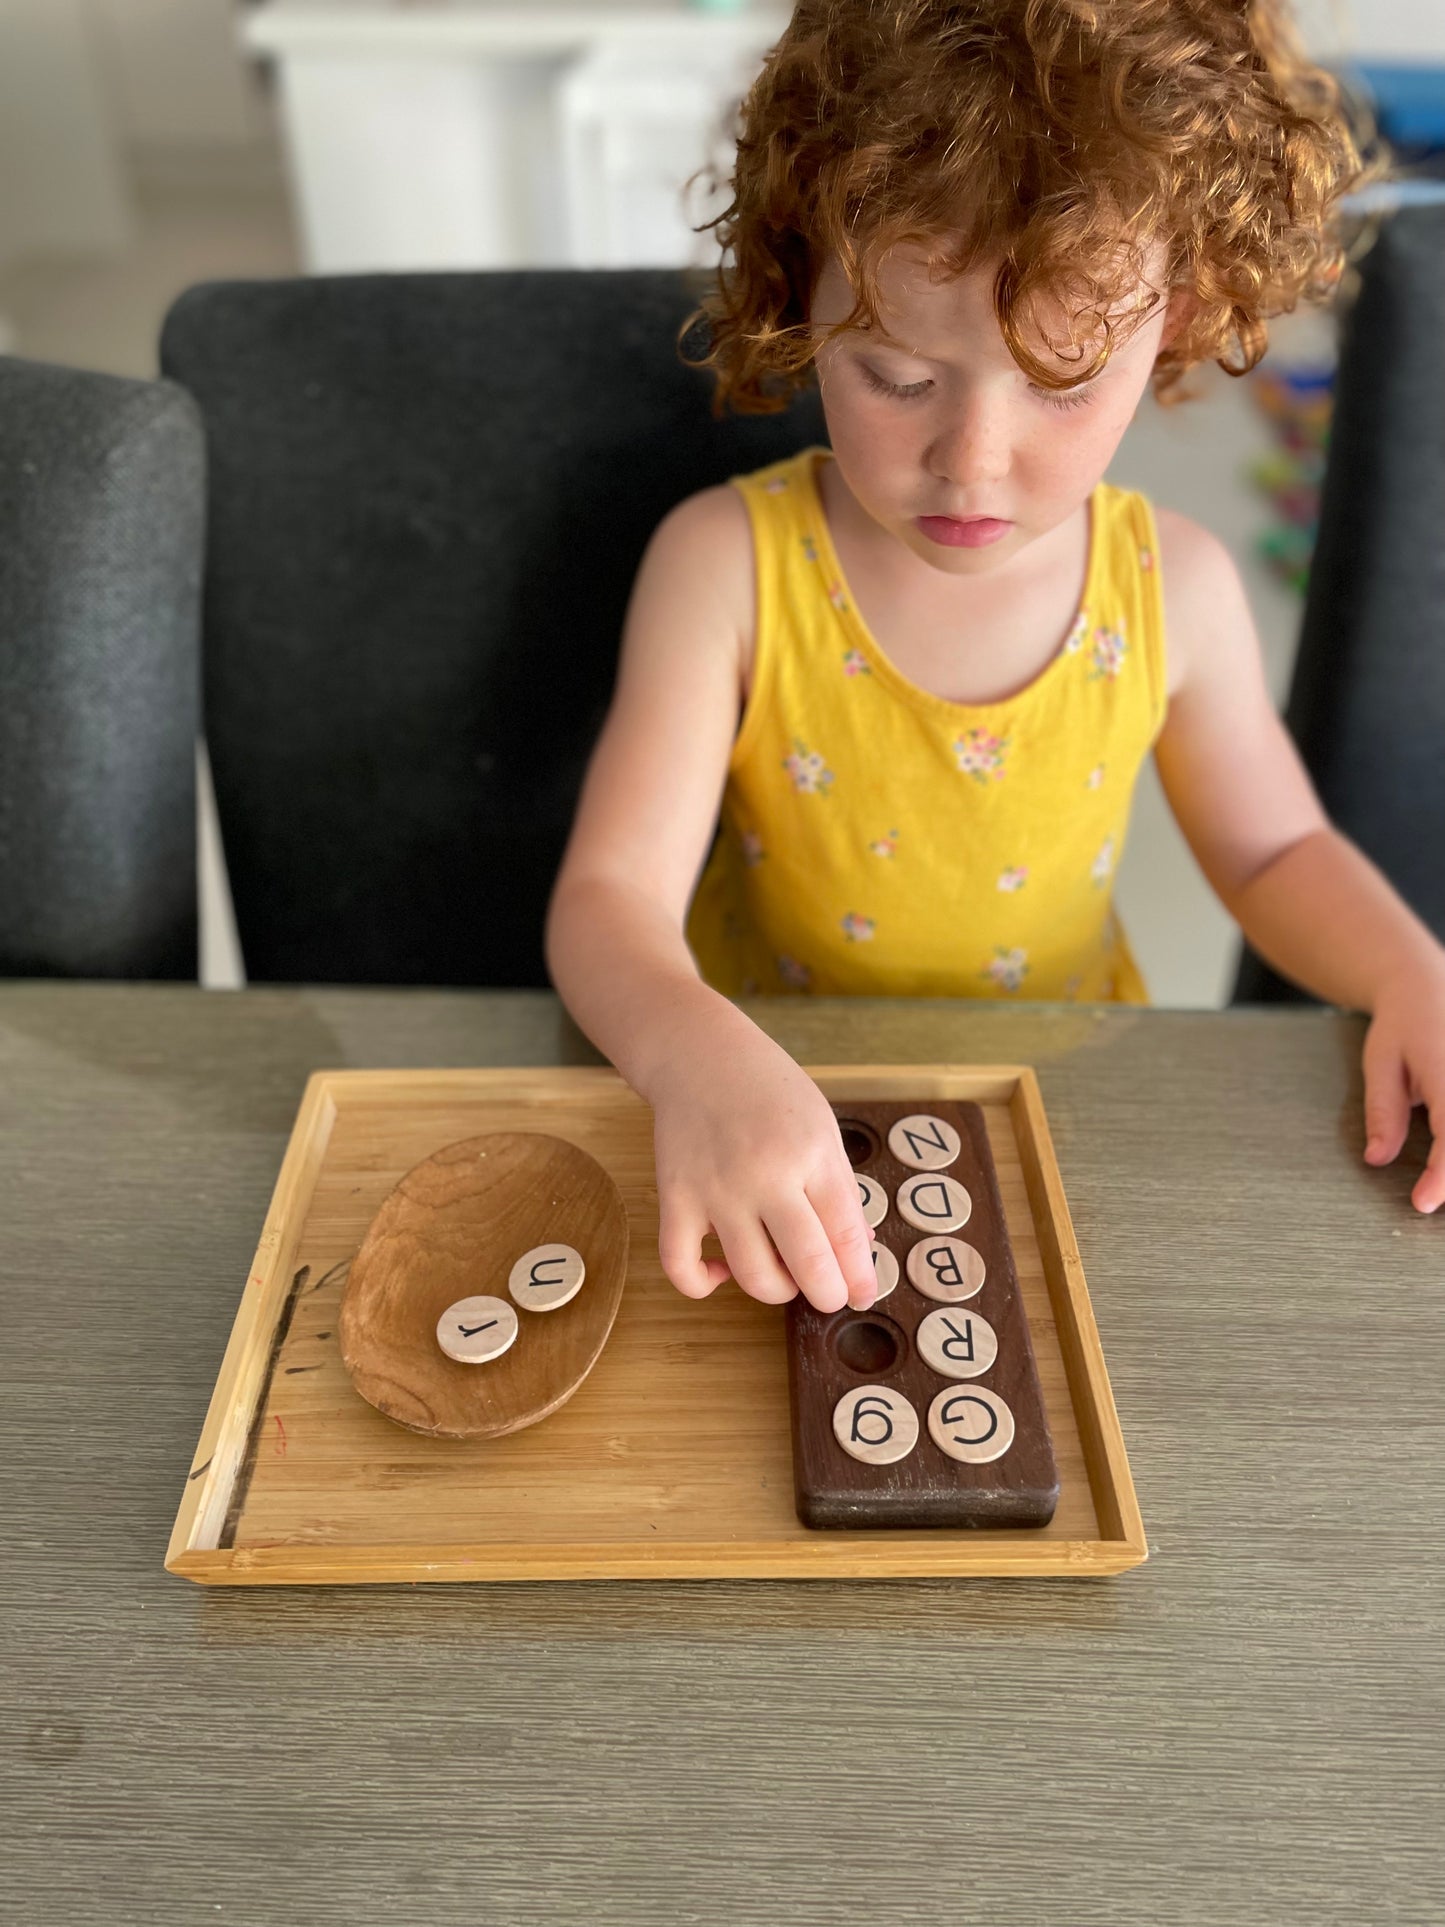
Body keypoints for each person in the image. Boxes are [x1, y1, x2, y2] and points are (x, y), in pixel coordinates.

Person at [546, 0, 1445, 1318]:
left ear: (1176, 318)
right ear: (802, 295)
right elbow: (608, 899)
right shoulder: (723, 566)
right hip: (769, 1119)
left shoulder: (1174, 591)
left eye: (1065, 382)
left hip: (1060, 1120)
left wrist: (1409, 970)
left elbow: (1271, 856)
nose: (970, 460)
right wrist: (691, 1063)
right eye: (898, 378)